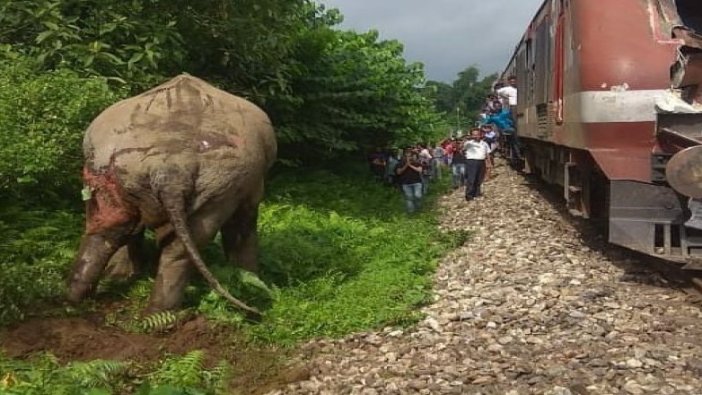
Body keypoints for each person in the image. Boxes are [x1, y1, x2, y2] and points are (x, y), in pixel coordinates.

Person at [463, 128, 491, 201]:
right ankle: (469, 195)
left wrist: (489, 162)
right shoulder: (469, 143)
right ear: (472, 135)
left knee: (479, 178)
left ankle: (477, 193)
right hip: (472, 161)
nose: (476, 136)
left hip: (481, 161)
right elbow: (462, 148)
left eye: (477, 135)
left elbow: (487, 153)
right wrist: (467, 140)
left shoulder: (484, 143)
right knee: (471, 179)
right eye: (474, 135)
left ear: (480, 135)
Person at [395, 148, 424, 214]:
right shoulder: (400, 164)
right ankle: (411, 212)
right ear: (404, 156)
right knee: (409, 198)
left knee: (418, 196)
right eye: (407, 156)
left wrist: (410, 165)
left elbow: (419, 170)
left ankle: (418, 208)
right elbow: (398, 172)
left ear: (412, 156)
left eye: (410, 156)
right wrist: (406, 165)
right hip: (406, 183)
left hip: (417, 182)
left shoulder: (416, 163)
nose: (408, 158)